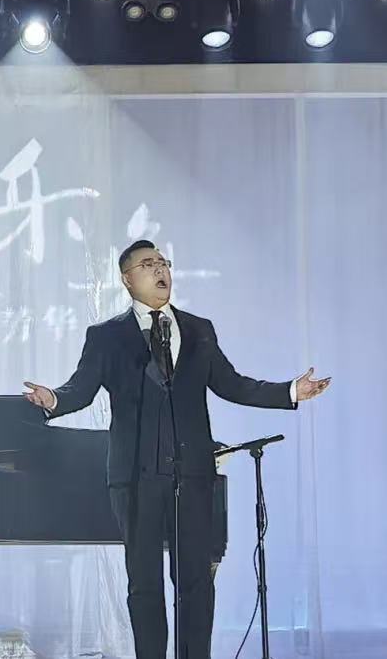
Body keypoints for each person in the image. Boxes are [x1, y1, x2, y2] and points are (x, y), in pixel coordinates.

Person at [22, 240, 331, 659]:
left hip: (193, 474)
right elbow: (81, 389)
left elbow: (231, 384)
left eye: (163, 262)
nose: (160, 270)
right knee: (144, 585)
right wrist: (53, 400)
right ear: (127, 278)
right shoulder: (107, 336)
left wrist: (290, 391)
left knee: (196, 583)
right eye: (148, 264)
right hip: (136, 478)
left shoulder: (198, 328)